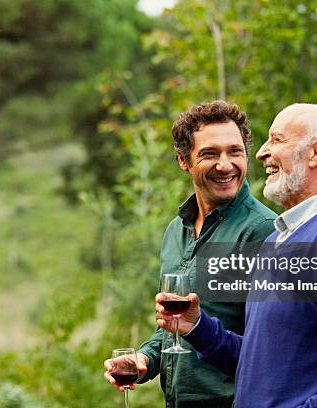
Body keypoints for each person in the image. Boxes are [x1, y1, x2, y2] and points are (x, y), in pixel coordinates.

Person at [155, 103, 317, 407]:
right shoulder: (277, 240)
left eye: (278, 139)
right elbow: (260, 368)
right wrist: (198, 328)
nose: (260, 153)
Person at [104, 100, 277, 407]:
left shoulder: (261, 231)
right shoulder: (176, 230)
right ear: (183, 161)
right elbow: (172, 325)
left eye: (235, 151)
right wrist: (145, 359)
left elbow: (270, 352)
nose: (225, 165)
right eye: (210, 154)